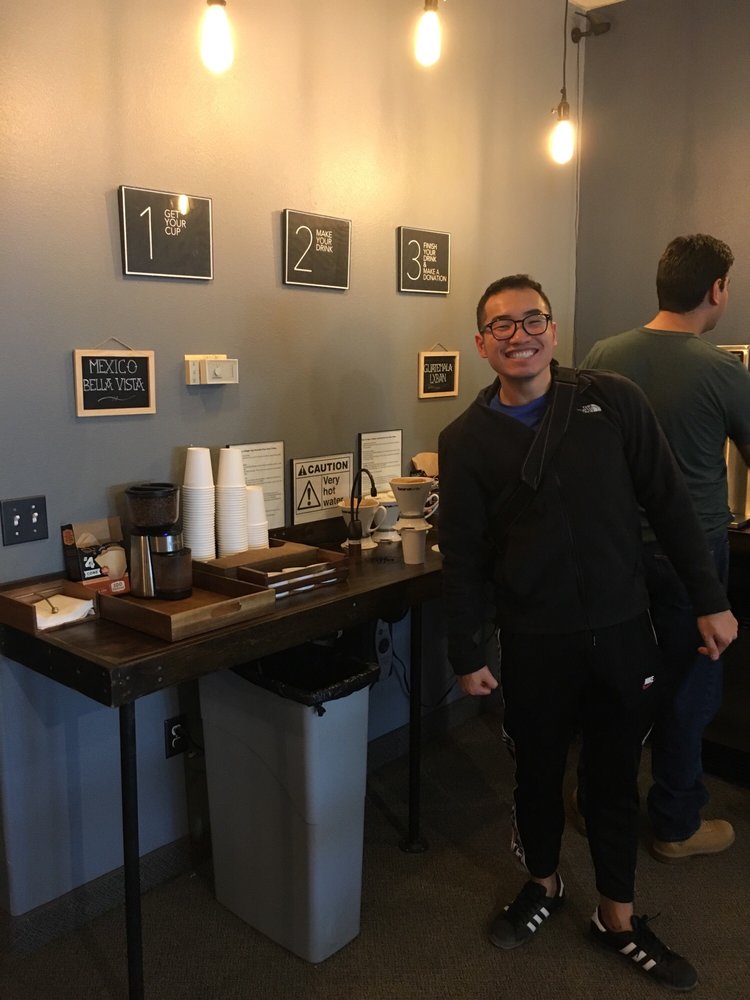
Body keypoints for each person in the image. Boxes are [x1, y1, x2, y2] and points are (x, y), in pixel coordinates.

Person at [438, 274, 737, 992]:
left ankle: (617, 917)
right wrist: (466, 649)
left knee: (612, 777)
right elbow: (464, 554)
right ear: (481, 343)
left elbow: (669, 503)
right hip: (534, 639)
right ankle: (543, 884)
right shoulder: (464, 440)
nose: (519, 335)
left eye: (532, 319)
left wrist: (710, 599)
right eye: (502, 325)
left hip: (622, 630)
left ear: (552, 329)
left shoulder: (612, 401)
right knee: (536, 773)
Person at [581, 234, 750, 862]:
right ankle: (676, 824)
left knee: (616, 678)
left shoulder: (603, 354)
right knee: (690, 684)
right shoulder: (722, 371)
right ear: (716, 289)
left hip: (615, 547)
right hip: (692, 553)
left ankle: (599, 803)